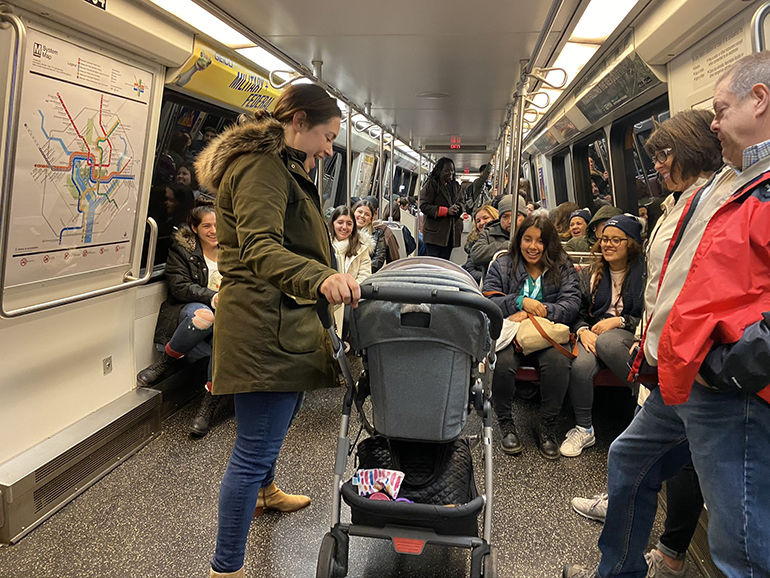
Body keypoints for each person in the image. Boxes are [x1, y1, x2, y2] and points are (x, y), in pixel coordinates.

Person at [565, 52, 770, 578]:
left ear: (760, 100)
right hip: (687, 374)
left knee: (742, 548)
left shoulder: (749, 186)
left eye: (721, 110)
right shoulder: (736, 182)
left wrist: (729, 363)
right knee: (629, 461)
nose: (715, 122)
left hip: (731, 386)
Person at [194, 83, 359, 578]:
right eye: (327, 137)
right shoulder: (262, 167)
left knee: (270, 429)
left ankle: (268, 493)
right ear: (300, 122)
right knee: (252, 449)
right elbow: (261, 248)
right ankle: (226, 568)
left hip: (280, 318)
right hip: (264, 325)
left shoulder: (283, 165)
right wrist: (322, 276)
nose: (329, 149)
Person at [570, 109, 725, 575]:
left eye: (664, 154)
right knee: (630, 457)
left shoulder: (718, 201)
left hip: (699, 370)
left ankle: (659, 557)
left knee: (737, 516)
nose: (655, 166)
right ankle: (622, 568)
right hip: (666, 364)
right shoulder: (676, 205)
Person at [483, 214, 581, 459]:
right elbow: (488, 300)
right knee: (501, 364)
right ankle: (506, 424)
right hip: (511, 332)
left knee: (558, 363)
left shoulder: (562, 266)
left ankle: (547, 426)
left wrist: (539, 312)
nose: (533, 247)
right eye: (528, 239)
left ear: (549, 244)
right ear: (519, 240)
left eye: (540, 241)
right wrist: (518, 302)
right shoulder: (503, 264)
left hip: (546, 331)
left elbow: (571, 304)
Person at [136, 202, 225, 433]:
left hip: (229, 311)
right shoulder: (181, 250)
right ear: (195, 228)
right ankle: (165, 362)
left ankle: (209, 404)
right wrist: (213, 297)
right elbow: (180, 287)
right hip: (191, 306)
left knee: (225, 338)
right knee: (205, 316)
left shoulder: (233, 250)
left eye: (217, 225)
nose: (214, 231)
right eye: (207, 226)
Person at [562, 215, 644, 457]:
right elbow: (575, 311)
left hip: (632, 332)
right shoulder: (590, 274)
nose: (608, 245)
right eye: (605, 239)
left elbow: (651, 315)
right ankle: (584, 428)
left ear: (631, 244)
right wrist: (583, 330)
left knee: (608, 341)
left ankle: (646, 406)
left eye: (616, 240)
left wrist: (620, 320)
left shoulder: (645, 275)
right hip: (593, 332)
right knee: (581, 365)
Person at [329, 206, 372, 337]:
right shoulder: (324, 245)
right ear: (333, 223)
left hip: (349, 298)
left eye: (349, 224)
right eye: (340, 222)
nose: (344, 227)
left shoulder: (362, 250)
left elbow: (365, 276)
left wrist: (347, 291)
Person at [419, 157, 464, 259]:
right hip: (434, 235)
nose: (450, 173)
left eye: (452, 171)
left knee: (445, 263)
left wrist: (459, 208)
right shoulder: (431, 184)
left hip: (450, 234)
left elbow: (462, 202)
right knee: (433, 264)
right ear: (439, 171)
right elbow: (424, 206)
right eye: (447, 171)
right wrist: (446, 211)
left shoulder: (456, 186)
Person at [470, 195, 527, 272]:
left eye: (516, 216)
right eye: (505, 217)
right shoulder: (488, 234)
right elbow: (476, 255)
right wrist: (507, 246)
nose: (510, 221)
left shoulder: (532, 233)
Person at [462, 204, 499, 283]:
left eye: (485, 218)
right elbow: (470, 269)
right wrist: (486, 278)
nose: (481, 223)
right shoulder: (474, 241)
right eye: (478, 221)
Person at [353, 200, 389, 272]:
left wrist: (362, 270)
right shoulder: (345, 231)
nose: (362, 216)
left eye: (367, 214)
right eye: (360, 212)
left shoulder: (378, 234)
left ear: (371, 219)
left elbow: (379, 259)